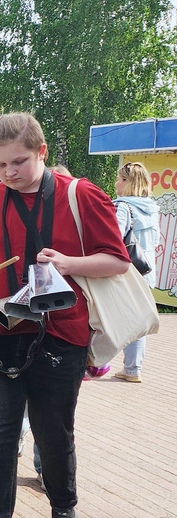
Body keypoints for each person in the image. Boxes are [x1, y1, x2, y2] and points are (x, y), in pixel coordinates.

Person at [0, 113, 129, 518]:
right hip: (2, 334)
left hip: (62, 335)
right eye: (1, 164)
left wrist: (69, 261)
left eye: (19, 162)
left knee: (53, 430)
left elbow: (117, 260)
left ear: (43, 152)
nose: (9, 172)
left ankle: (63, 507)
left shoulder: (80, 194)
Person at [112, 160, 159, 382]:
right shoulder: (152, 208)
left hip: (126, 270)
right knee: (138, 320)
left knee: (109, 316)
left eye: (119, 179)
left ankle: (95, 364)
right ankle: (133, 369)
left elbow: (113, 238)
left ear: (127, 182)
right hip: (147, 269)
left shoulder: (124, 207)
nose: (115, 183)